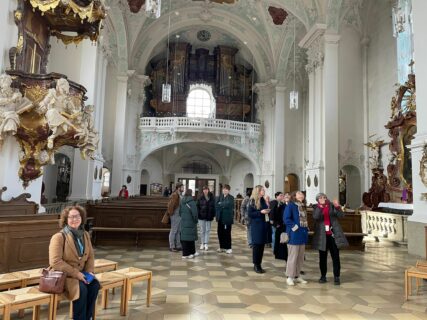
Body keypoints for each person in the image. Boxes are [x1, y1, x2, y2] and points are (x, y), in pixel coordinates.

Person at [49, 206, 100, 320]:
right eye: (71, 217)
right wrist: (77, 274)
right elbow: (55, 262)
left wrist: (89, 272)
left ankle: (88, 317)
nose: (74, 219)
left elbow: (90, 256)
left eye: (77, 216)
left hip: (82, 273)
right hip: (65, 276)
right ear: (66, 220)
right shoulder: (58, 237)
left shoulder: (85, 234)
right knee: (80, 289)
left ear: (81, 218)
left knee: (94, 285)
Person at [312, 193, 349, 285]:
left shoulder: (332, 205)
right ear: (317, 200)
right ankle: (323, 276)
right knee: (322, 257)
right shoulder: (316, 207)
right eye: (320, 198)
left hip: (333, 234)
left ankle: (337, 276)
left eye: (324, 197)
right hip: (322, 235)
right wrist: (320, 207)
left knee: (335, 256)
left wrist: (337, 207)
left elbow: (341, 216)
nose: (323, 199)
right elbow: (316, 217)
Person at [284, 191, 309, 286]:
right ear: (294, 196)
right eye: (299, 194)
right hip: (294, 234)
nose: (301, 195)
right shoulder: (291, 205)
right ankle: (289, 277)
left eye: (302, 194)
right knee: (293, 257)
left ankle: (297, 275)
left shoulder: (303, 206)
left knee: (300, 257)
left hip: (302, 234)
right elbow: (286, 219)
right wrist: (295, 227)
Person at [248, 185, 270, 273]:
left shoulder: (263, 200)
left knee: (261, 246)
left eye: (264, 190)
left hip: (263, 225)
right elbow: (250, 214)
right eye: (262, 190)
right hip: (256, 226)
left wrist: (267, 210)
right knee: (257, 246)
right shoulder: (252, 201)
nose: (264, 191)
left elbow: (265, 210)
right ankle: (256, 265)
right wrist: (260, 212)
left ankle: (259, 263)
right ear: (258, 191)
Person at [180, 189, 199, 259]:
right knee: (190, 238)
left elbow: (180, 212)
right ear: (191, 194)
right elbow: (195, 214)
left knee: (185, 238)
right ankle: (190, 253)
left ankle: (186, 254)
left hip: (184, 221)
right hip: (191, 222)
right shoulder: (192, 202)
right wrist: (196, 221)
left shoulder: (182, 201)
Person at [215, 184, 234, 254]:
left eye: (226, 189)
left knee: (227, 233)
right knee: (220, 233)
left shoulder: (231, 198)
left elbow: (228, 204)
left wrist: (221, 204)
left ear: (228, 190)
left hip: (227, 219)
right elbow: (216, 205)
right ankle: (221, 247)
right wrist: (222, 204)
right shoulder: (219, 197)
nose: (224, 190)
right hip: (220, 218)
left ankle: (228, 248)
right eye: (223, 189)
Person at [271, 192, 289, 261]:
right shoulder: (281, 206)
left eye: (287, 196)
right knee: (284, 247)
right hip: (283, 228)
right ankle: (288, 262)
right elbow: (275, 215)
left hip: (290, 228)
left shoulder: (292, 205)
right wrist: (276, 224)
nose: (285, 197)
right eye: (284, 196)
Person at [196, 186, 215, 251]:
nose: (205, 191)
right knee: (202, 230)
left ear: (208, 190)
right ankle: (202, 243)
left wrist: (213, 214)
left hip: (209, 216)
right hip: (201, 217)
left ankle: (206, 243)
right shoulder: (200, 197)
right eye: (204, 190)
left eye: (206, 190)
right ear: (203, 191)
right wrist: (199, 214)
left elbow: (214, 207)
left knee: (207, 230)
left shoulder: (212, 197)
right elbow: (197, 207)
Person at [167, 183, 184, 252]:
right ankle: (172, 246)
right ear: (178, 188)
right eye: (182, 187)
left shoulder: (179, 194)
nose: (183, 188)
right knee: (173, 230)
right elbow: (170, 205)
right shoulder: (174, 194)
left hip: (179, 215)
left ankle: (178, 245)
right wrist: (172, 214)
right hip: (175, 215)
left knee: (178, 231)